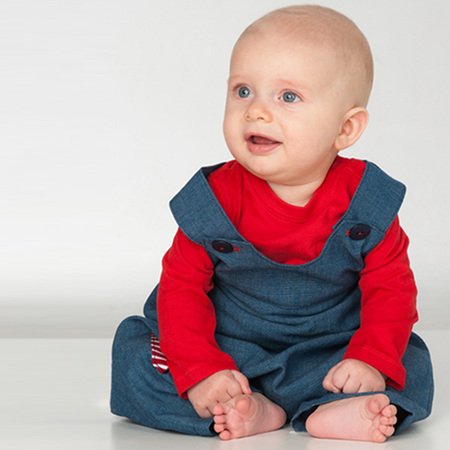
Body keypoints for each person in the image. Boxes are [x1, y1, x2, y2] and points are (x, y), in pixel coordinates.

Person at [110, 5, 433, 443]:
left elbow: (392, 291)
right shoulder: (213, 201)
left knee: (409, 362)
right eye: (243, 91)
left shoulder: (366, 204)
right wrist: (201, 369)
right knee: (136, 353)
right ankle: (248, 408)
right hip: (228, 352)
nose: (256, 112)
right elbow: (179, 290)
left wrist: (370, 359)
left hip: (332, 354)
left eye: (288, 97)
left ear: (346, 128)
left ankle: (334, 408)